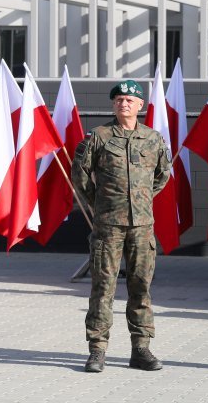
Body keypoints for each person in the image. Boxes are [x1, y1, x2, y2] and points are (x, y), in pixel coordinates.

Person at [72, 79, 171, 373]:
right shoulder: (98, 137)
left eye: (130, 100)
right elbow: (80, 176)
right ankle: (97, 350)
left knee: (141, 287)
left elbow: (162, 176)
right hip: (108, 227)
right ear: (113, 104)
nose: (123, 103)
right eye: (119, 100)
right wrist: (99, 203)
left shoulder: (153, 139)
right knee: (103, 288)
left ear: (141, 105)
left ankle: (141, 349)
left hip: (142, 227)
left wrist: (140, 200)